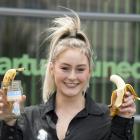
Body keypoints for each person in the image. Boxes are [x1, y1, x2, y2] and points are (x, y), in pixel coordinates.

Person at [0, 11, 136, 140]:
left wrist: (124, 120)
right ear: (52, 69)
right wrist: (9, 121)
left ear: (89, 72)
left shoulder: (106, 119)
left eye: (80, 69)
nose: (72, 76)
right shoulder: (28, 118)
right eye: (65, 68)